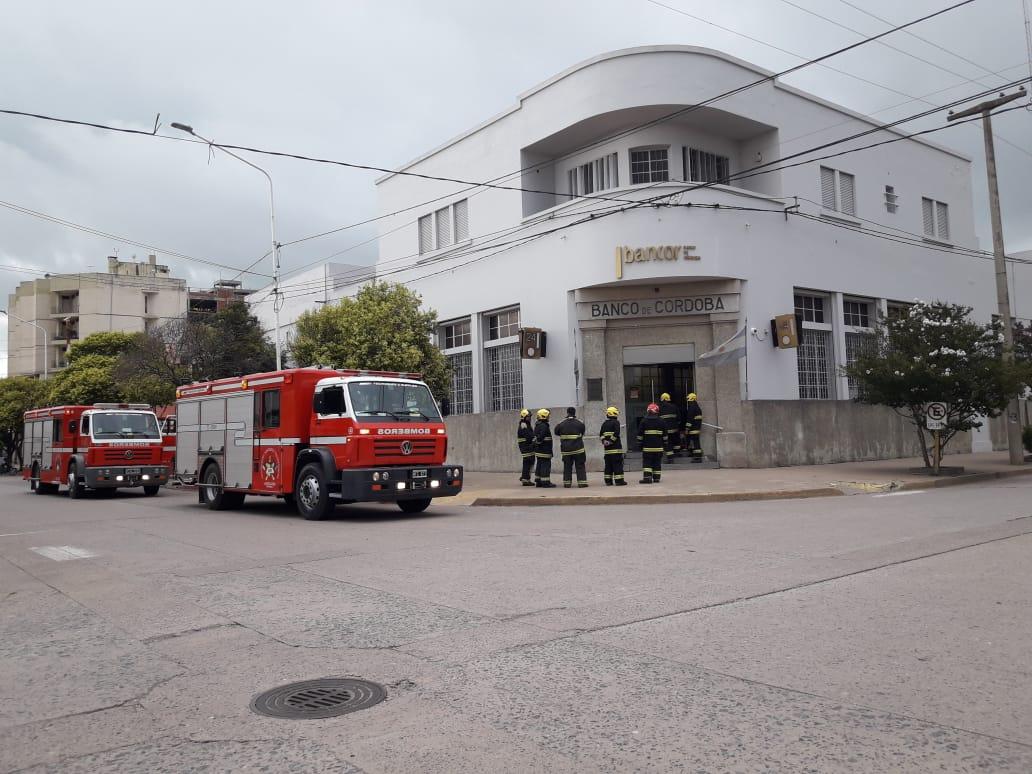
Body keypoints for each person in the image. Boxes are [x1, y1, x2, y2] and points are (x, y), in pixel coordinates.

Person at [554, 406, 588, 488]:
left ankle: (567, 483)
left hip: (566, 450)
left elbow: (556, 432)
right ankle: (582, 483)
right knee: (580, 465)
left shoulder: (561, 423)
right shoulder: (580, 423)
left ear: (567, 412)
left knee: (567, 466)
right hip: (578, 449)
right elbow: (582, 432)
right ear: (574, 413)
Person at [636, 402, 666, 484]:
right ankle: (656, 478)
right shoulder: (661, 421)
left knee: (647, 463)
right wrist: (665, 444)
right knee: (657, 463)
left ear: (648, 410)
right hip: (658, 447)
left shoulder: (644, 421)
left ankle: (647, 478)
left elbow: (640, 434)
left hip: (647, 448)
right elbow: (665, 435)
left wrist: (639, 444)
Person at [599, 406, 626, 486]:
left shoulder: (604, 423)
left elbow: (601, 434)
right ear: (614, 413)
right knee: (617, 465)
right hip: (616, 449)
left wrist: (604, 441)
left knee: (608, 466)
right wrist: (611, 441)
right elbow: (616, 433)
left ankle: (608, 481)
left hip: (607, 450)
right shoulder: (616, 422)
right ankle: (619, 481)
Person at [533, 408, 556, 488]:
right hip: (545, 450)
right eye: (548, 416)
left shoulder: (537, 424)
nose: (549, 417)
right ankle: (545, 482)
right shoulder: (544, 426)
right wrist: (539, 442)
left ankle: (538, 481)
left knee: (539, 465)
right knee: (545, 466)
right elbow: (540, 438)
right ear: (544, 416)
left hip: (539, 450)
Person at [658, 392, 681, 463]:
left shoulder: (659, 408)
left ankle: (670, 459)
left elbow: (658, 420)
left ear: (662, 399)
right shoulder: (674, 406)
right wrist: (677, 425)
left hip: (665, 430)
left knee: (668, 444)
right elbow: (679, 418)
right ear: (668, 399)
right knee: (676, 441)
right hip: (675, 429)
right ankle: (677, 454)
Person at [517, 409, 535, 486]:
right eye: (528, 416)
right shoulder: (523, 425)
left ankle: (525, 477)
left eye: (530, 416)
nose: (530, 418)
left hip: (527, 446)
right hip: (525, 447)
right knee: (527, 462)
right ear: (524, 417)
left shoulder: (526, 424)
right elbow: (528, 436)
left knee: (529, 461)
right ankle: (525, 479)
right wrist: (534, 438)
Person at [684, 392, 703, 463]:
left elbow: (689, 419)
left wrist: (687, 428)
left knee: (695, 442)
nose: (688, 401)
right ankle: (695, 455)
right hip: (697, 428)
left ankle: (698, 457)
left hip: (693, 428)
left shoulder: (692, 407)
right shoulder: (697, 407)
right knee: (695, 442)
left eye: (688, 399)